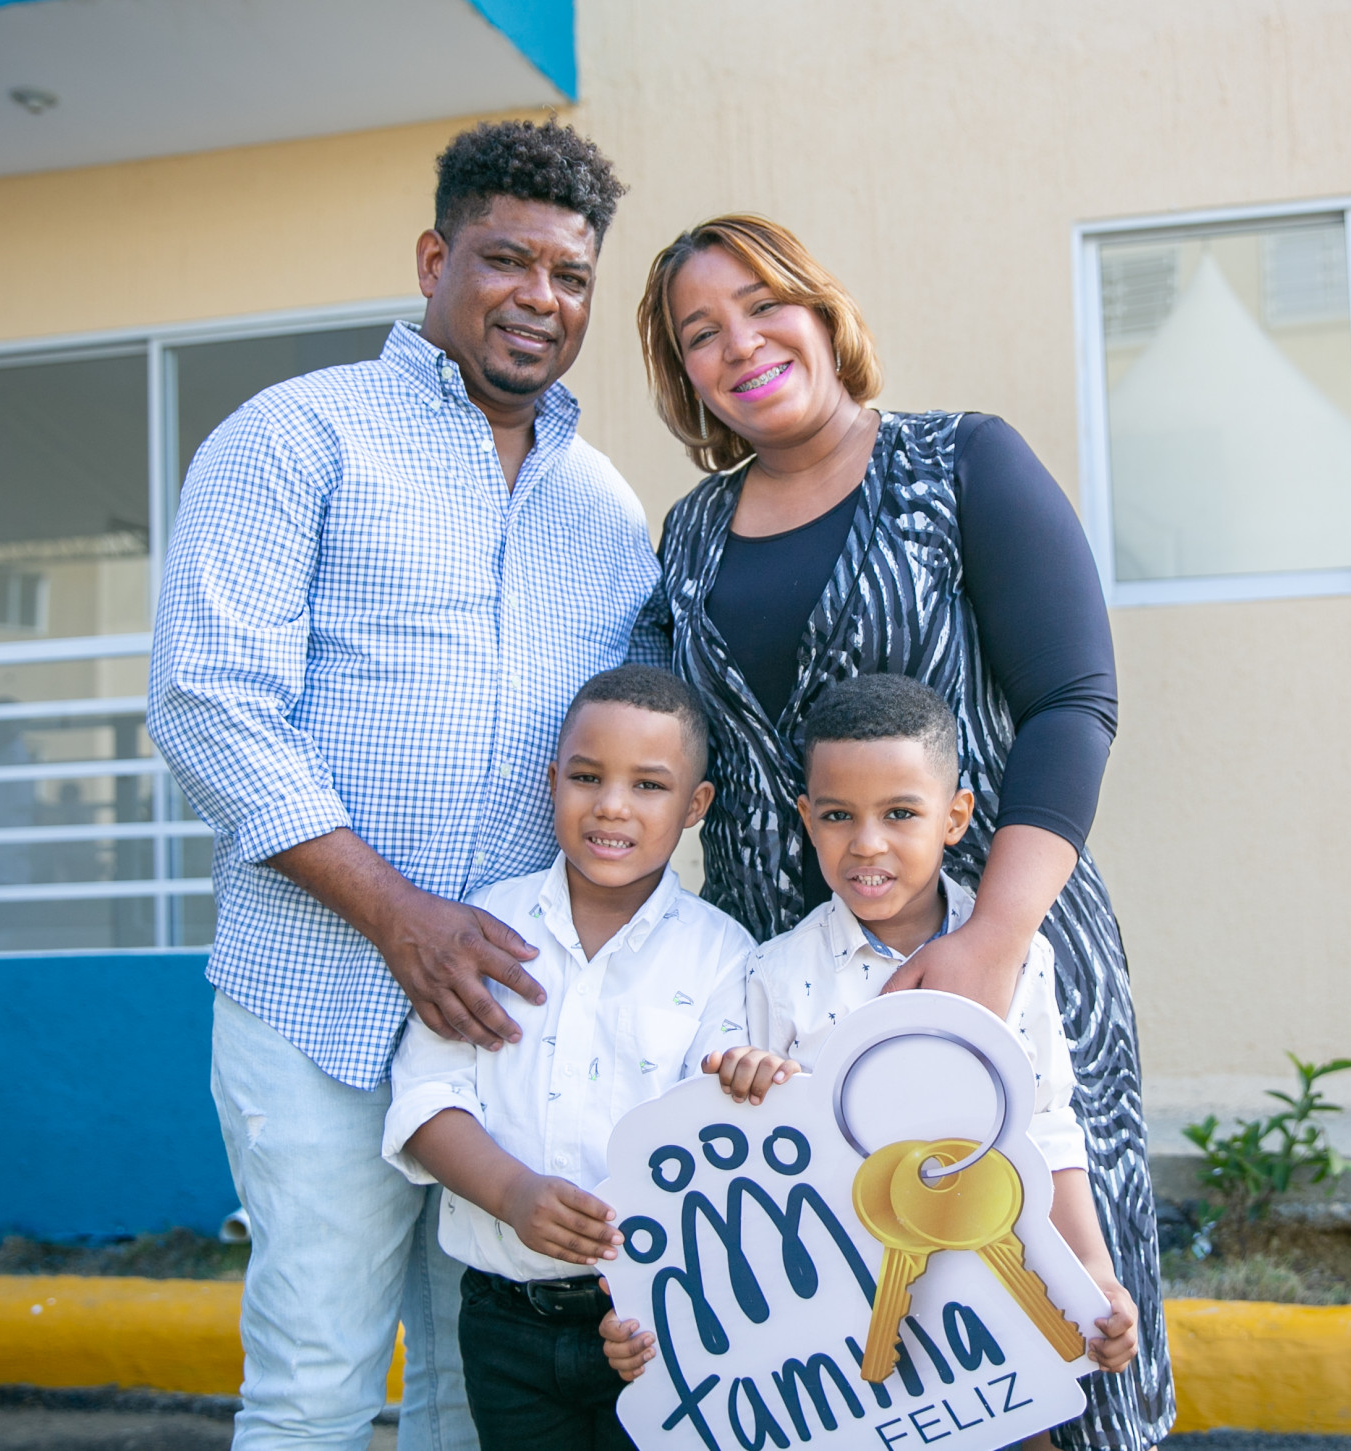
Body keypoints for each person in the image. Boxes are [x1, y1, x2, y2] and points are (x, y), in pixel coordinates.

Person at [148, 121, 654, 1450]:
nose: (540, 298)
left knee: (474, 1393)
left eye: (570, 276)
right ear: (436, 260)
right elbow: (209, 704)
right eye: (507, 260)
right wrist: (398, 914)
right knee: (316, 1385)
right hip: (317, 997)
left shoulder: (604, 507)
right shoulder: (295, 434)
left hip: (507, 1029)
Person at [633, 215, 1174, 1448]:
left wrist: (992, 938)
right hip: (793, 993)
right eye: (700, 333)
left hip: (994, 949)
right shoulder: (692, 534)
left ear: (822, 312)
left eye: (763, 305)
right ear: (684, 375)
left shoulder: (959, 462)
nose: (740, 344)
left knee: (1046, 1307)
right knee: (848, 1343)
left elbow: (1072, 700)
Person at [601, 676, 1138, 1445]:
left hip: (990, 1331)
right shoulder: (773, 975)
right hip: (837, 1343)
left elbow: (1046, 1126)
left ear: (955, 816)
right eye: (838, 816)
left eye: (900, 814)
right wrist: (749, 1088)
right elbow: (716, 1172)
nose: (867, 843)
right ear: (806, 819)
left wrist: (1093, 1269)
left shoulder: (1020, 959)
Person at [383, 665, 752, 1449]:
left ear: (695, 806)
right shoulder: (486, 927)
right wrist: (513, 1191)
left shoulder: (723, 954)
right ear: (553, 782)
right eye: (587, 777)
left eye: (648, 785)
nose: (612, 804)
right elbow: (424, 1098)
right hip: (504, 1322)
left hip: (656, 1319)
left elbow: (718, 1145)